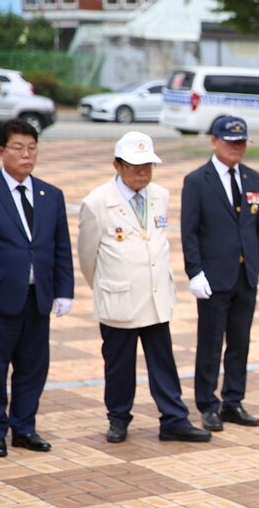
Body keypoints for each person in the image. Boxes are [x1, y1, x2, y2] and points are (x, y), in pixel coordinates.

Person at [79, 131, 210, 444]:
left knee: (163, 361)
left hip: (154, 296)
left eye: (148, 165)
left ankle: (174, 419)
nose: (143, 172)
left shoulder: (159, 195)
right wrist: (108, 285)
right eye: (135, 166)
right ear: (117, 165)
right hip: (119, 298)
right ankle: (118, 419)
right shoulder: (97, 202)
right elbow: (87, 257)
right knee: (119, 366)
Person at [0, 119, 74, 457]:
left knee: (33, 366)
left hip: (37, 298)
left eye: (32, 148)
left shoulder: (51, 195)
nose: (26, 155)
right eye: (18, 148)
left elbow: (60, 246)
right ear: (1, 151)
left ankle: (23, 427)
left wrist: (64, 290)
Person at [181, 116, 259, 432]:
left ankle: (233, 400)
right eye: (230, 141)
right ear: (214, 141)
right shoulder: (197, 180)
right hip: (213, 277)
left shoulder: (251, 177)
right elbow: (189, 231)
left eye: (241, 142)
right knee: (210, 342)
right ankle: (207, 403)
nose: (237, 147)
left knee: (240, 342)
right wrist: (195, 271)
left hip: (245, 275)